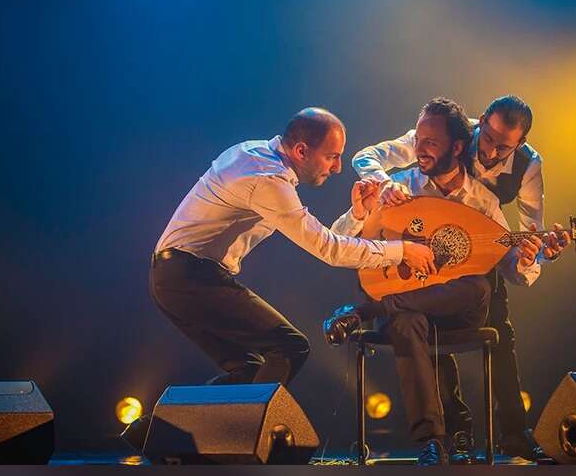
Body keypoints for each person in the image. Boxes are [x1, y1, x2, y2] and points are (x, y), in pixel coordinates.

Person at [322, 97, 546, 465]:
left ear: (457, 148)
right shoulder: (400, 188)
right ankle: (432, 442)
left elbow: (511, 261)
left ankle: (367, 311)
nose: (419, 149)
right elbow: (339, 241)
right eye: (418, 141)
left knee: (479, 288)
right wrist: (364, 207)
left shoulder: (484, 201)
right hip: (411, 305)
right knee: (407, 322)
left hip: (458, 309)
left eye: (431, 143)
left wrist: (526, 258)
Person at [150, 107, 435, 387]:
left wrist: (357, 215)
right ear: (301, 151)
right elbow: (329, 249)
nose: (337, 168)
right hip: (190, 276)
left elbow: (329, 239)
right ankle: (249, 421)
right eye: (331, 157)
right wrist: (402, 251)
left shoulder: (256, 154)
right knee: (290, 347)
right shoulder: (267, 179)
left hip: (175, 276)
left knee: (248, 371)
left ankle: (171, 420)